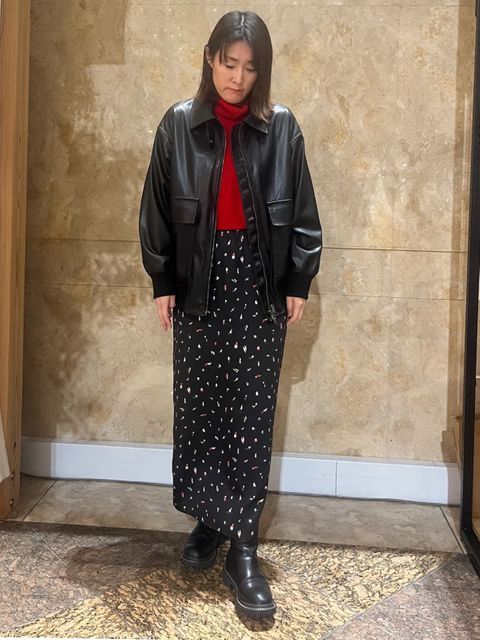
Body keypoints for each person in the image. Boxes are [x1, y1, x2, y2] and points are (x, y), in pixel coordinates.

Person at [138, 10, 322, 620]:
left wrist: (298, 278)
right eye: (228, 62)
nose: (237, 77)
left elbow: (302, 209)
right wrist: (162, 280)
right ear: (209, 57)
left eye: (249, 67)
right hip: (198, 279)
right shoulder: (178, 124)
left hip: (258, 280)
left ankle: (243, 545)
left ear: (261, 72)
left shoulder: (282, 127)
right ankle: (210, 520)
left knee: (249, 408)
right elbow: (157, 207)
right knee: (200, 406)